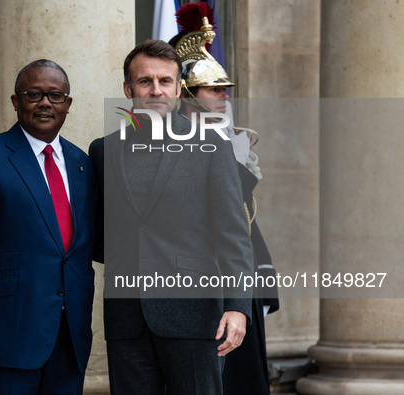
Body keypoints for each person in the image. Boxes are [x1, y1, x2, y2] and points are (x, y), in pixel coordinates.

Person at [89, 39, 254, 395]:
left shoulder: (212, 144)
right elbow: (101, 233)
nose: (156, 90)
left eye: (165, 81)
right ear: (127, 88)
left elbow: (234, 234)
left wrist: (239, 307)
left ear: (179, 88)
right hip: (127, 320)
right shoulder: (104, 150)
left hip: (196, 317)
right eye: (145, 81)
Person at [0, 59, 97, 395]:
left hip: (69, 338)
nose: (45, 103)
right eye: (33, 94)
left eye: (55, 96)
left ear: (68, 105)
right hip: (7, 337)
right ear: (16, 102)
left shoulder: (81, 163)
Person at [171, 4, 280, 393]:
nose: (223, 97)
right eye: (214, 89)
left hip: (233, 284)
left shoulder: (230, 143)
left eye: (225, 90)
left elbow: (243, 222)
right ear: (187, 93)